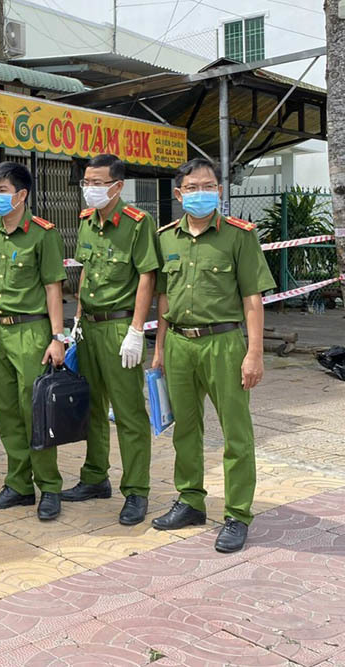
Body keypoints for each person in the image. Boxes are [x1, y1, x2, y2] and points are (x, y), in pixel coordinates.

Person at [151, 157, 275, 553]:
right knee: (185, 429)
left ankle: (237, 514)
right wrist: (158, 349)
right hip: (179, 345)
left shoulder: (239, 236)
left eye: (208, 186)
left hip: (224, 344)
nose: (201, 193)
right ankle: (190, 500)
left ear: (220, 191)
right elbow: (164, 297)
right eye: (192, 187)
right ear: (178, 194)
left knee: (236, 433)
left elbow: (252, 299)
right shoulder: (166, 237)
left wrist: (254, 353)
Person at [63, 154, 159, 526]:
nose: (91, 189)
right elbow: (86, 270)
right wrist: (76, 319)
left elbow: (147, 278)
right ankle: (94, 477)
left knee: (130, 412)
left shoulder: (137, 223)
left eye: (99, 182)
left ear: (117, 186)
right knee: (91, 406)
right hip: (88, 327)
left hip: (121, 328)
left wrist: (137, 330)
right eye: (87, 182)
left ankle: (136, 490)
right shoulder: (88, 222)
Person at [0, 162, 67, 521]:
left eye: (2, 191)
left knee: (36, 413)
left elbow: (52, 288)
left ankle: (49, 487)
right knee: (8, 412)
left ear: (22, 194)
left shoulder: (43, 234)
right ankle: (18, 485)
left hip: (32, 331)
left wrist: (57, 337)